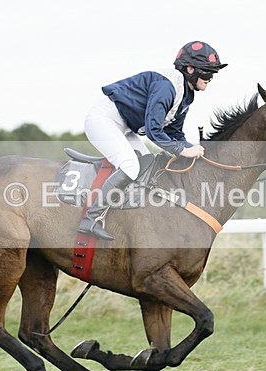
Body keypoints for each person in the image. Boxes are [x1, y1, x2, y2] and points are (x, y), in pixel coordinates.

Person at [77, 40, 227, 240]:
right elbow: (153, 130)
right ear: (190, 69)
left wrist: (193, 149)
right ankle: (90, 219)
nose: (210, 78)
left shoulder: (186, 93)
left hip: (126, 126)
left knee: (146, 162)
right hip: (104, 120)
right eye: (208, 72)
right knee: (131, 166)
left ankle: (125, 215)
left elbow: (175, 133)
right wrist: (182, 151)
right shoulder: (167, 86)